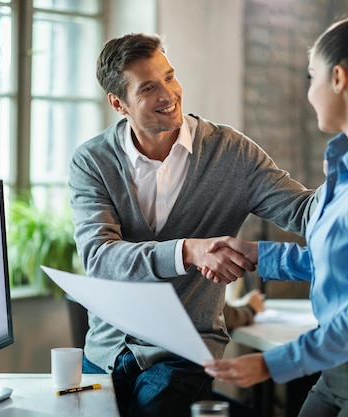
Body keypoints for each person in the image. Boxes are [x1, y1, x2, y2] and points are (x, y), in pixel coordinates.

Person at [69, 32, 319, 417]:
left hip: (183, 350)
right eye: (149, 87)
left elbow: (304, 211)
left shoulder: (232, 153)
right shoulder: (92, 162)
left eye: (169, 77)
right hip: (106, 351)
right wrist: (188, 250)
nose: (167, 94)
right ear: (118, 103)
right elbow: (100, 258)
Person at [202, 12, 348, 416]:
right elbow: (336, 262)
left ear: (339, 79)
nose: (309, 92)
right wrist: (255, 253)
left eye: (312, 76)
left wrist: (271, 364)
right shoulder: (347, 170)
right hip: (336, 363)